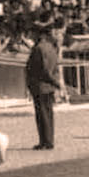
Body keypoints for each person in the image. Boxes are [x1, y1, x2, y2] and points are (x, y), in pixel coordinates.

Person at [25, 19, 65, 149]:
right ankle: (48, 139)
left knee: (42, 114)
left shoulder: (39, 48)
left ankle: (45, 141)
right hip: (47, 86)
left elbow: (43, 70)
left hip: (41, 85)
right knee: (48, 114)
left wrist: (55, 82)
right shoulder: (51, 47)